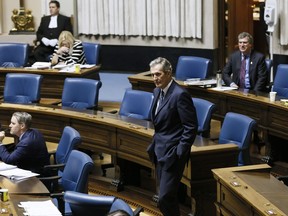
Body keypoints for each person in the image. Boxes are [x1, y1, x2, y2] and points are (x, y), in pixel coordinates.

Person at [146, 57, 198, 216]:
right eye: (153, 75)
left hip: (172, 153)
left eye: (158, 74)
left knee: (164, 198)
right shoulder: (157, 91)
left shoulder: (180, 95)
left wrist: (180, 151)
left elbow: (191, 126)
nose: (155, 78)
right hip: (159, 150)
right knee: (165, 197)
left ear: (168, 73)